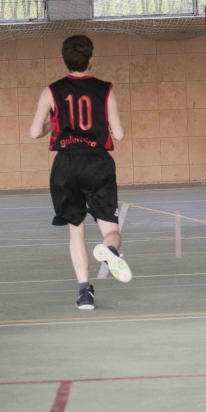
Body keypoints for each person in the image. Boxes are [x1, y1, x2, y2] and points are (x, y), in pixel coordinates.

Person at [29, 35, 130, 310]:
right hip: (97, 163)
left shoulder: (51, 91)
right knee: (111, 230)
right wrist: (112, 127)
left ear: (65, 60)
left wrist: (55, 124)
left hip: (66, 165)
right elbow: (119, 134)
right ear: (91, 60)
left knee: (76, 232)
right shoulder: (105, 89)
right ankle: (110, 250)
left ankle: (85, 293)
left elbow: (35, 132)